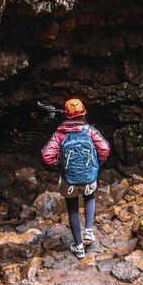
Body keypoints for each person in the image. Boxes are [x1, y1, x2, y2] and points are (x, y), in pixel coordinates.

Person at [41, 98, 110, 258]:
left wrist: (59, 164)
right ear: (83, 114)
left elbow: (46, 156)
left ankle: (79, 248)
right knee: (90, 197)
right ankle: (88, 230)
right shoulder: (90, 131)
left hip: (69, 179)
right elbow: (105, 149)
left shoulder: (59, 134)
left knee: (72, 210)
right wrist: (96, 163)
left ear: (65, 115)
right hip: (89, 176)